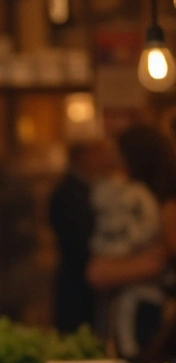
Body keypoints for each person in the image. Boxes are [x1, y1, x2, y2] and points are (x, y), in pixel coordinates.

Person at [87, 124, 176, 360]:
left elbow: (163, 256)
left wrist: (115, 268)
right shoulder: (140, 198)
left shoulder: (156, 202)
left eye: (116, 156)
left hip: (149, 315)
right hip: (139, 313)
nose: (110, 163)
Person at [50, 139, 114, 334]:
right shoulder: (68, 192)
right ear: (80, 158)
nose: (102, 159)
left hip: (87, 279)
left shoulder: (92, 188)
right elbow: (78, 239)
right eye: (96, 153)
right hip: (76, 279)